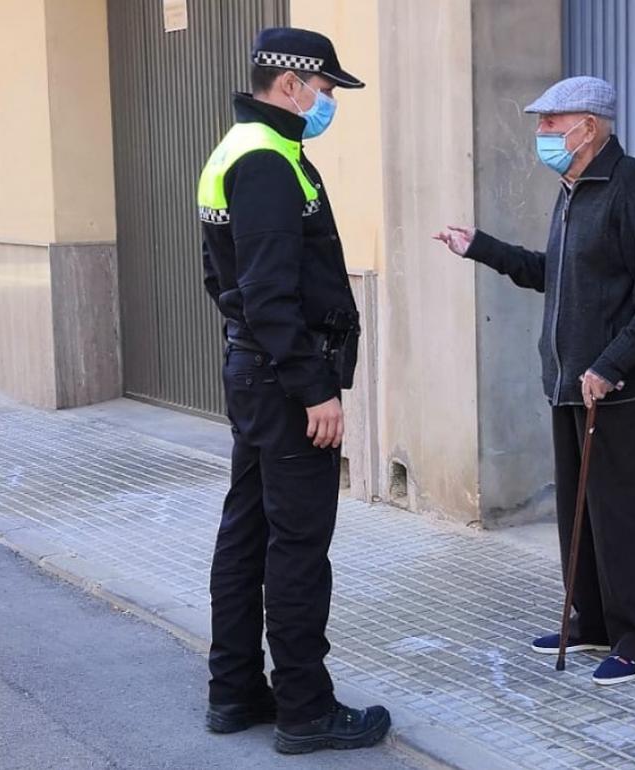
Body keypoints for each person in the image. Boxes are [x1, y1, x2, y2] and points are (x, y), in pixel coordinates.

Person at [435, 76, 635, 686]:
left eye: (551, 123)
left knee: (618, 512)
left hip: (616, 388)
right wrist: (482, 248)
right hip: (570, 382)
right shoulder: (572, 190)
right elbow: (560, 276)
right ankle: (594, 619)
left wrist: (610, 364)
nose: (541, 135)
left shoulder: (632, 188)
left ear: (589, 127)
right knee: (580, 508)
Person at [197, 27, 390, 753]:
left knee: (246, 533)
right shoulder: (269, 163)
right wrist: (316, 389)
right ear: (290, 84)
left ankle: (236, 690)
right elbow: (271, 294)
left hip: (256, 371)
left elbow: (225, 283)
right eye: (327, 89)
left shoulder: (236, 150)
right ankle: (306, 708)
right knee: (299, 544)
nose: (329, 101)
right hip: (285, 380)